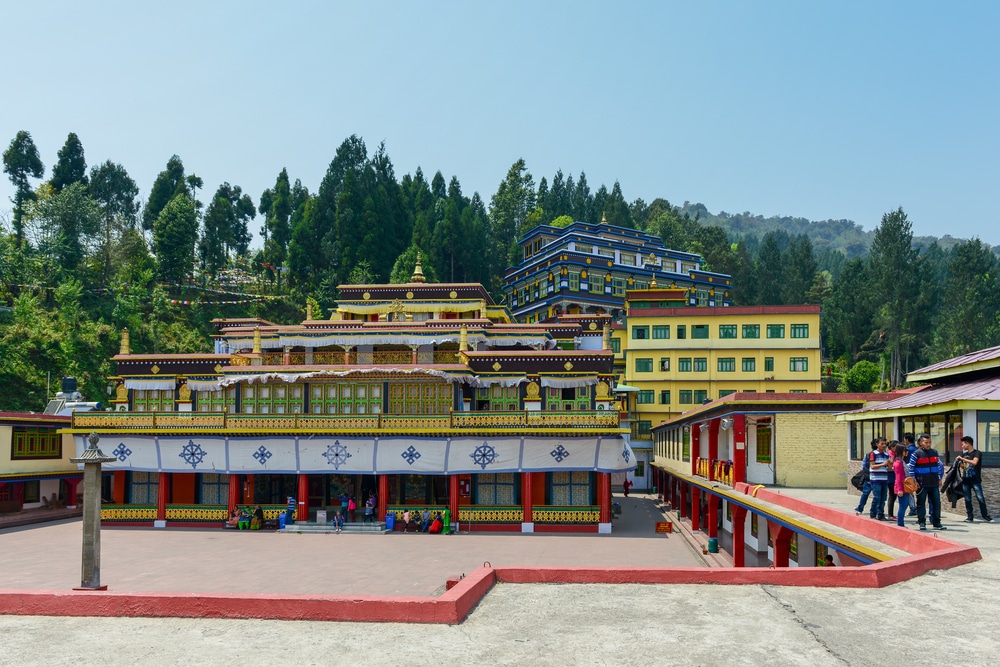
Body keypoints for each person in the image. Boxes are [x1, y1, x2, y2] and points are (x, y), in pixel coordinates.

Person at [908, 433, 946, 531]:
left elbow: (939, 466)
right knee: (921, 504)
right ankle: (922, 523)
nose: (928, 444)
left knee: (936, 503)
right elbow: (911, 468)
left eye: (929, 442)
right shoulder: (916, 454)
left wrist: (939, 478)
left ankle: (937, 522)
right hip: (921, 484)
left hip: (933, 483)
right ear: (921, 443)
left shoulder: (935, 452)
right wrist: (914, 481)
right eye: (926, 442)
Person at [956, 436, 993, 523]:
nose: (962, 446)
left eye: (963, 444)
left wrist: (962, 459)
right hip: (965, 480)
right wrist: (960, 463)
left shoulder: (977, 453)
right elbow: (963, 467)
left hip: (975, 480)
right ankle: (970, 517)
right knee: (967, 499)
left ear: (967, 443)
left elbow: (974, 462)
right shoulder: (964, 454)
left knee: (980, 498)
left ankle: (985, 516)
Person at [854, 438, 880, 516]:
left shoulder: (867, 455)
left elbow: (864, 466)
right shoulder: (883, 455)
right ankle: (876, 511)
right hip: (878, 478)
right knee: (877, 496)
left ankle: (860, 508)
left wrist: (867, 474)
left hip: (869, 477)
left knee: (865, 494)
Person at [867, 438, 892, 521]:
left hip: (884, 479)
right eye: (882, 444)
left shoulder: (886, 455)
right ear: (877, 444)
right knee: (877, 497)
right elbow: (873, 466)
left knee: (883, 498)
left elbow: (888, 468)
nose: (884, 445)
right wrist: (883, 464)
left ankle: (880, 514)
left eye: (885, 444)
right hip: (875, 479)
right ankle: (873, 513)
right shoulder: (873, 454)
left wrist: (889, 465)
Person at [892, 443, 910, 527]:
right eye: (905, 450)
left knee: (905, 504)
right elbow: (898, 477)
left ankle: (901, 523)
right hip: (901, 487)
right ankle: (900, 523)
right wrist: (900, 489)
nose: (907, 452)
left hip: (905, 486)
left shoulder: (902, 461)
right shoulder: (898, 463)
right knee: (903, 505)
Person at [904, 433, 918, 516]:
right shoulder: (916, 449)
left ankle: (913, 508)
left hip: (909, 472)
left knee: (909, 491)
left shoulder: (908, 450)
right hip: (917, 472)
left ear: (906, 439)